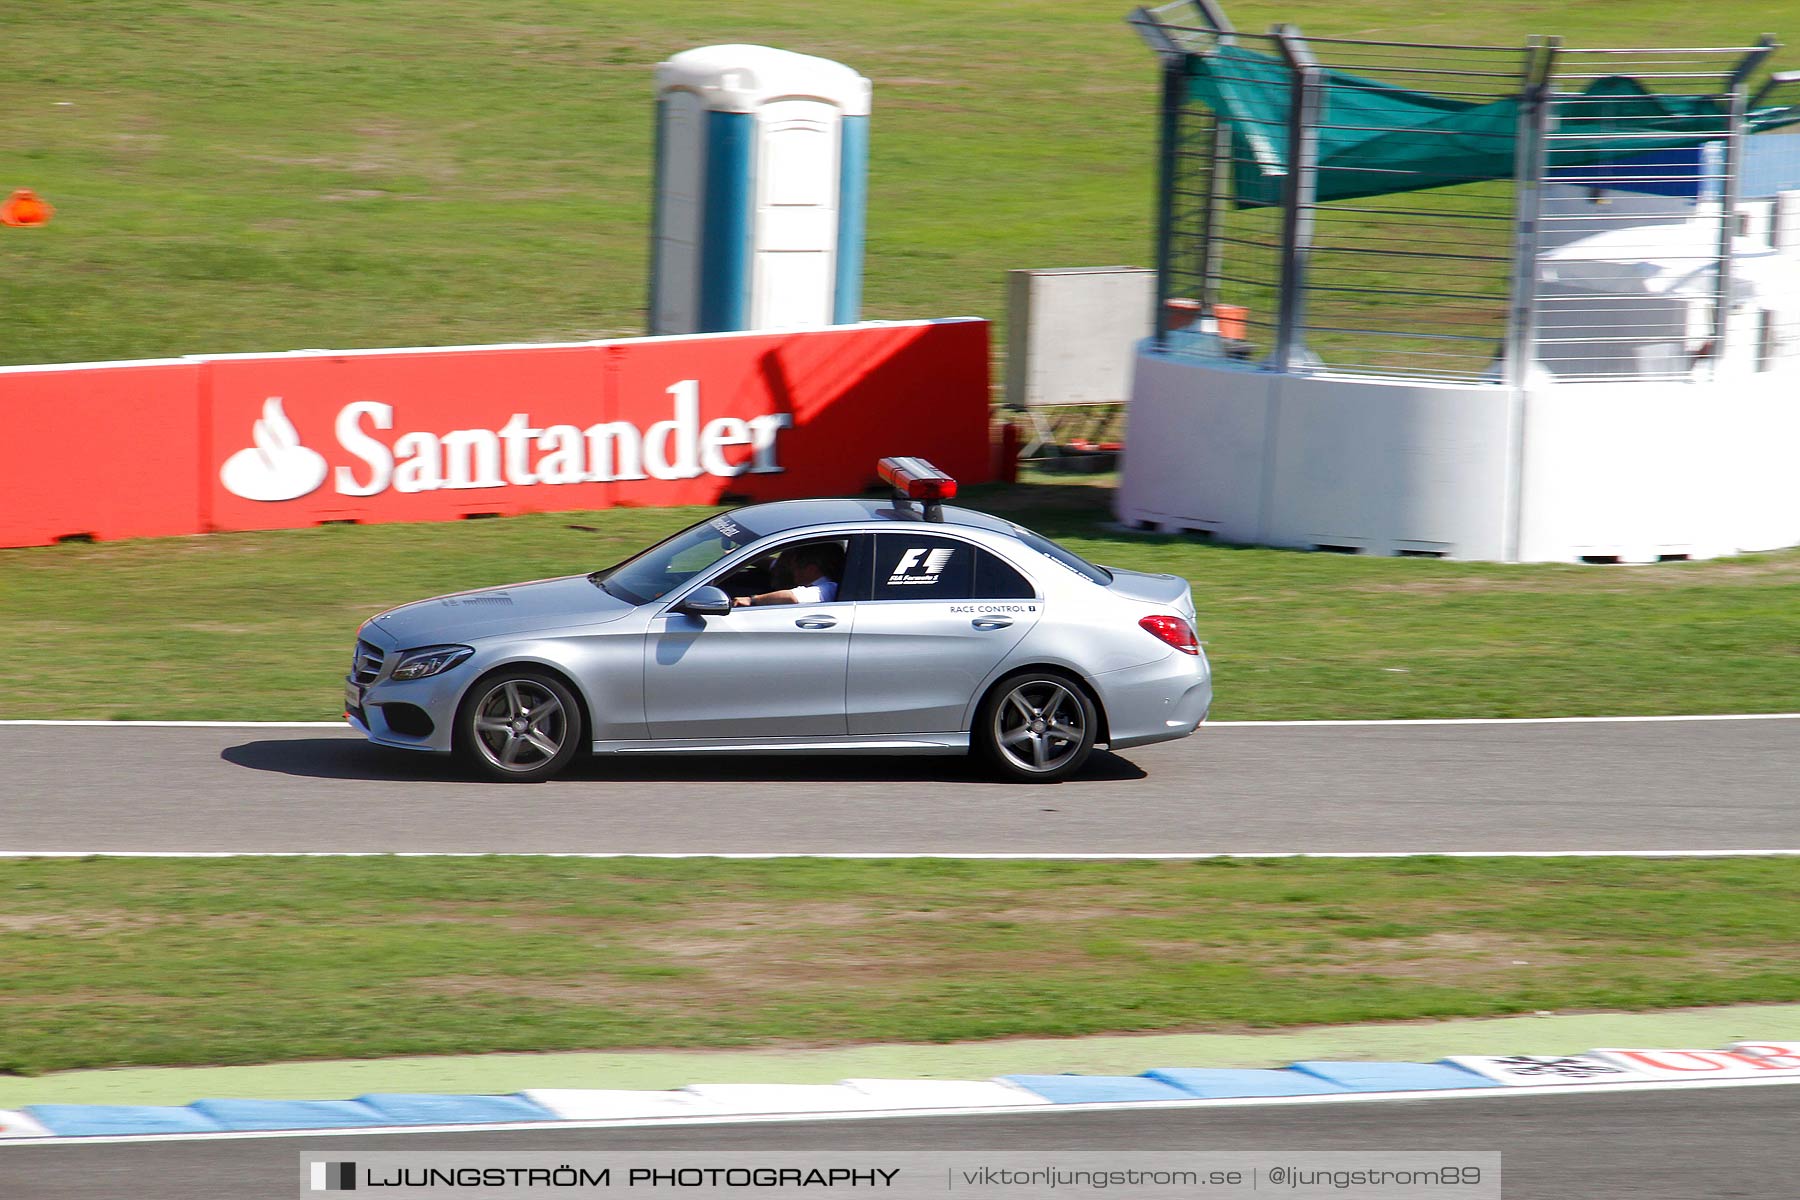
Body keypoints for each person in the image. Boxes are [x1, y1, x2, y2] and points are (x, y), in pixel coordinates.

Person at [733, 543, 840, 607]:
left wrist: (751, 600)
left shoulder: (827, 589)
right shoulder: (820, 580)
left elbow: (791, 597)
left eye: (795, 566)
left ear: (811, 569)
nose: (791, 570)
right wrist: (741, 557)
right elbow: (773, 564)